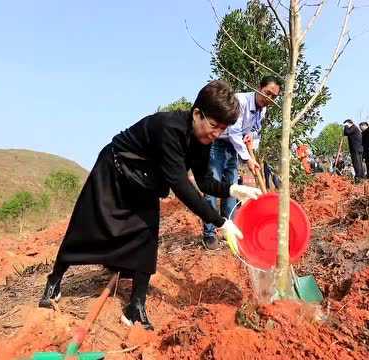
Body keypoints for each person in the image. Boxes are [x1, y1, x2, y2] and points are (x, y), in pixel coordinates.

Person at [38, 80, 262, 330]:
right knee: (86, 225)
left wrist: (232, 188)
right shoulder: (169, 128)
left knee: (147, 236)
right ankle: (54, 280)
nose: (216, 134)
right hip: (115, 169)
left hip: (145, 181)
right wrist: (220, 221)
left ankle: (136, 307)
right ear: (197, 113)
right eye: (214, 125)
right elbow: (181, 186)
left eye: (222, 129)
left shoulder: (202, 142)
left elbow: (203, 181)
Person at [202, 76, 281, 250]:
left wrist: (251, 136)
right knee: (213, 185)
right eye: (267, 93)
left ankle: (230, 229)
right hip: (218, 141)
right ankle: (209, 233)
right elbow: (233, 131)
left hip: (234, 147)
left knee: (232, 187)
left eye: (274, 97)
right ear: (259, 88)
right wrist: (248, 159)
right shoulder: (240, 101)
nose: (269, 98)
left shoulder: (263, 109)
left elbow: (255, 132)